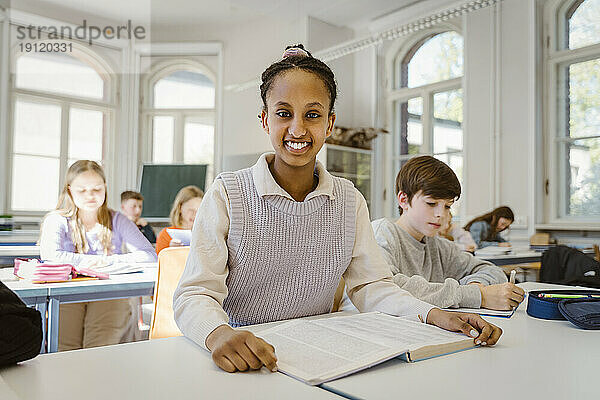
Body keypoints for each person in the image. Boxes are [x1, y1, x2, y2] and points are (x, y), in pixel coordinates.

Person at [173, 44, 502, 374]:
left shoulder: (348, 200)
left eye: (312, 115)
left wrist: (434, 314)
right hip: (245, 353)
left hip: (317, 353)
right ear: (265, 119)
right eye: (283, 113)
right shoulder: (228, 193)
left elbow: (371, 287)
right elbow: (194, 293)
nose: (298, 129)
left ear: (329, 124)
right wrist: (218, 334)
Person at [371, 156, 524, 311]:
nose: (441, 214)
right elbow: (387, 289)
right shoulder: (382, 233)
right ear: (404, 200)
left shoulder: (439, 246)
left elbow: (492, 270)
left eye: (447, 206)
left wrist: (476, 286)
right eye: (431, 203)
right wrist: (477, 296)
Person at [39, 160, 157, 351]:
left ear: (105, 188)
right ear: (69, 190)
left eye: (96, 189)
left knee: (99, 349)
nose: (90, 196)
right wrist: (101, 263)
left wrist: (102, 262)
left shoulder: (117, 219)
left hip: (108, 293)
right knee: (65, 350)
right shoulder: (56, 220)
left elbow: (149, 257)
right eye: (82, 190)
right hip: (66, 294)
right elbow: (51, 257)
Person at [155, 185, 203, 255]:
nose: (195, 215)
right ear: (180, 207)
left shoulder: (204, 234)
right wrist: (170, 250)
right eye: (191, 210)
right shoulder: (166, 235)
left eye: (198, 211)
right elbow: (160, 263)